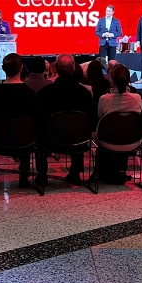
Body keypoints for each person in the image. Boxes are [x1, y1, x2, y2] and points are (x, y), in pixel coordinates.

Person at [0, 53, 40, 188]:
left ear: (2, 68)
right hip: (27, 141)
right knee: (25, 128)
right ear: (21, 68)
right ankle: (24, 176)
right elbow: (36, 120)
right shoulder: (31, 94)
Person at [38, 53, 93, 185]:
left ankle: (42, 174)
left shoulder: (45, 92)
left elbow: (40, 118)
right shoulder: (84, 93)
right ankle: (75, 173)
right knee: (78, 127)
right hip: (78, 140)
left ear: (55, 67)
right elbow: (88, 120)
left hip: (50, 140)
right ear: (74, 68)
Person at [96, 64, 141, 184]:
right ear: (129, 79)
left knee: (113, 132)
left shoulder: (104, 99)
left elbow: (101, 120)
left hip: (108, 142)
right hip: (133, 142)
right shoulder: (137, 98)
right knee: (124, 131)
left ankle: (102, 173)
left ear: (112, 78)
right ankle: (121, 171)